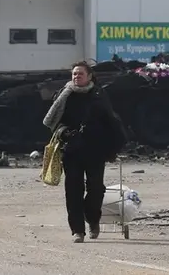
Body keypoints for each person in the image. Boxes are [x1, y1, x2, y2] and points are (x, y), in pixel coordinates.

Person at [42, 61, 128, 243]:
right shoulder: (64, 95)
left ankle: (92, 219)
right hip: (72, 150)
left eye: (80, 74)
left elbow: (112, 121)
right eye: (74, 74)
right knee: (73, 190)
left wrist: (114, 148)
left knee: (96, 189)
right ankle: (77, 230)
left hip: (96, 150)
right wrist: (64, 132)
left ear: (89, 76)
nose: (76, 77)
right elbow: (54, 123)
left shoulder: (99, 95)